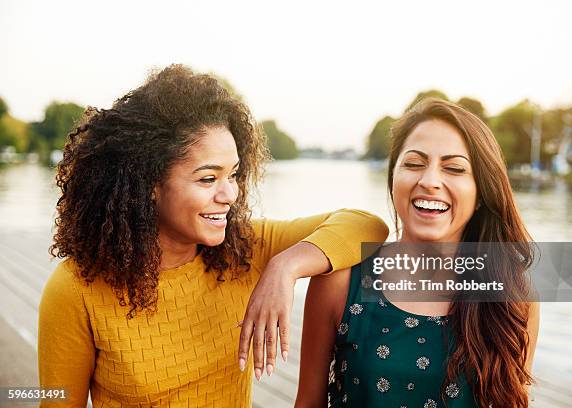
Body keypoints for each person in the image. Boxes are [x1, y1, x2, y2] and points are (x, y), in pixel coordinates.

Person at [38, 64, 389, 407]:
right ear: (149, 185)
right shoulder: (76, 288)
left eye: (233, 175)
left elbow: (366, 225)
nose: (229, 195)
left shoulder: (245, 247)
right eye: (208, 179)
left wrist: (285, 268)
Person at [296, 99, 540, 408]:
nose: (429, 181)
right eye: (413, 164)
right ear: (393, 177)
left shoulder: (514, 296)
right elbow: (308, 402)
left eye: (454, 168)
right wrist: (285, 266)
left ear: (481, 193)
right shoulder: (341, 281)